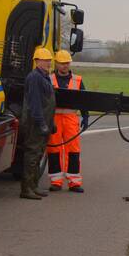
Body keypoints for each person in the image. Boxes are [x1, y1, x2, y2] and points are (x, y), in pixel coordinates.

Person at [47, 50, 88, 193]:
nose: (65, 66)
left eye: (67, 63)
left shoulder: (78, 80)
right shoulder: (49, 79)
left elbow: (84, 100)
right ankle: (56, 181)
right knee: (53, 149)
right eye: (62, 63)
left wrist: (85, 116)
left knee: (73, 150)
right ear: (56, 63)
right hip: (54, 119)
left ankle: (74, 182)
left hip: (71, 119)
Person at [20, 47, 56, 200]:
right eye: (45, 60)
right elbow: (35, 104)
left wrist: (50, 123)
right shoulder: (35, 77)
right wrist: (41, 123)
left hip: (44, 122)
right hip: (34, 123)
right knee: (32, 154)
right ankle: (26, 189)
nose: (48, 63)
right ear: (36, 61)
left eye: (49, 60)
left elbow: (48, 102)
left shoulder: (45, 76)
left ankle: (34, 186)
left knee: (39, 153)